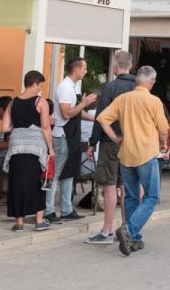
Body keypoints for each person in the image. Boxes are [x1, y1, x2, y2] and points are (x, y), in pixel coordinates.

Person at [95, 65, 170, 255]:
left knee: (130, 196)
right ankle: (129, 230)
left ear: (137, 80)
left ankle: (134, 239)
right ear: (151, 82)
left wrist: (114, 137)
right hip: (146, 154)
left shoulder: (123, 99)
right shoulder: (153, 101)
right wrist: (163, 144)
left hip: (126, 153)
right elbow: (163, 129)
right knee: (151, 197)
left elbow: (102, 118)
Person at [86, 51, 138, 244]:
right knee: (126, 187)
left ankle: (106, 230)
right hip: (132, 143)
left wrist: (92, 143)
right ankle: (126, 228)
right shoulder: (138, 87)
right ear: (130, 66)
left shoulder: (110, 87)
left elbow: (101, 117)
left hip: (111, 142)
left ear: (116, 67)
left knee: (109, 186)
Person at [2, 70, 54, 232]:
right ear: (34, 83)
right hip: (35, 148)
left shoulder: (12, 103)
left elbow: (5, 127)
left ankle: (19, 223)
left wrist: (17, 129)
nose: (40, 89)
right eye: (40, 85)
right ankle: (39, 221)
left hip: (16, 147)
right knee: (37, 182)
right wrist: (51, 149)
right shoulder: (41, 102)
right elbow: (45, 127)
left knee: (17, 183)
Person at [46, 58, 95, 223]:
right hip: (63, 135)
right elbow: (67, 113)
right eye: (85, 68)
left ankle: (66, 209)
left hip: (72, 134)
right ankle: (49, 210)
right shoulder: (65, 87)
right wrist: (85, 103)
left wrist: (93, 118)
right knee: (57, 173)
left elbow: (77, 111)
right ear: (77, 70)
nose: (86, 71)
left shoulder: (73, 87)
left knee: (69, 173)